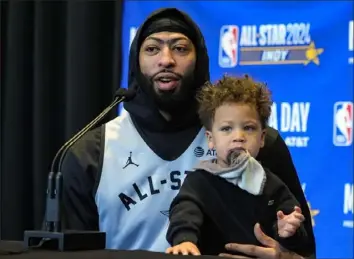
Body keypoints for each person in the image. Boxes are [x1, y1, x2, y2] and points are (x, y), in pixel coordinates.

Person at [61, 7, 316, 259]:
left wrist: (287, 257)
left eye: (180, 48)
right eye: (152, 49)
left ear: (200, 60)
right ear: (136, 62)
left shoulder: (258, 143)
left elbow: (304, 249)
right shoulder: (91, 153)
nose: (166, 59)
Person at [165, 75, 309, 257]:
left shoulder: (271, 184)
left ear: (262, 138)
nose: (238, 136)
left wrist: (288, 230)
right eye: (226, 129)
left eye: (248, 128)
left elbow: (297, 237)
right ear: (211, 139)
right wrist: (184, 240)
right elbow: (184, 213)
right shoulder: (200, 181)